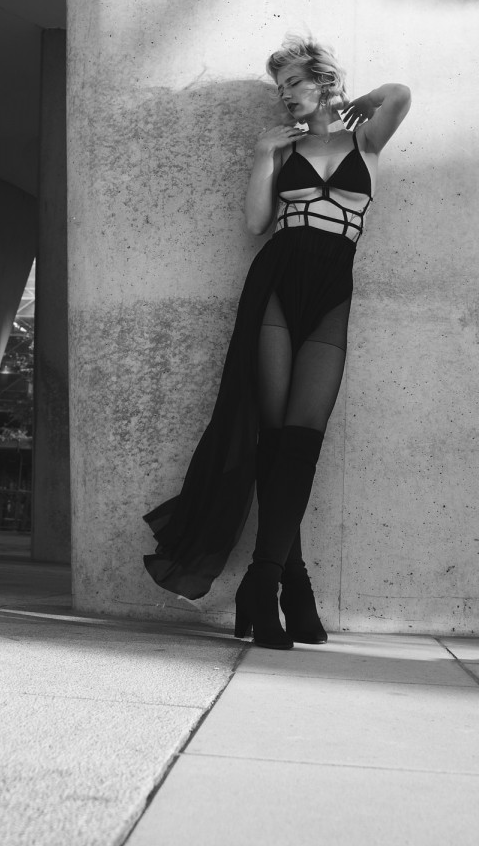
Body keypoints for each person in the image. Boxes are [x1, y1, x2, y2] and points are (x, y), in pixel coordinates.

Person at [143, 33, 411, 649]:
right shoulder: (282, 147)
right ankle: (278, 585)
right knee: (273, 438)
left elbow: (400, 94)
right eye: (280, 86)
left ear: (324, 80)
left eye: (295, 81)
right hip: (275, 284)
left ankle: (278, 582)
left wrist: (363, 99)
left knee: (302, 439)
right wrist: (264, 154)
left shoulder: (365, 141)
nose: (286, 94)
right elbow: (257, 222)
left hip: (331, 289)